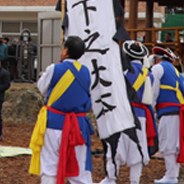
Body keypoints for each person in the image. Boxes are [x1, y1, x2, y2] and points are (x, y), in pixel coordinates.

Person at [29, 35, 94, 184]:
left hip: (54, 122)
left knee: (49, 166)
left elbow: (42, 88)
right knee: (80, 170)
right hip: (78, 126)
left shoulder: (54, 69)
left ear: (65, 51)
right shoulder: (86, 72)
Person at [98, 41, 156, 184]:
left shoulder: (120, 71)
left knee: (116, 146)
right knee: (138, 148)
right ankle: (134, 180)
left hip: (122, 113)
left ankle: (110, 178)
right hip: (141, 115)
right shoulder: (149, 75)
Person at [151, 46, 184, 184]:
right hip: (180, 111)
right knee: (175, 144)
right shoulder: (176, 71)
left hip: (168, 111)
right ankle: (173, 174)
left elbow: (153, 92)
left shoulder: (157, 68)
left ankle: (170, 175)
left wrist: (150, 109)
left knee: (167, 144)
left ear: (157, 59)